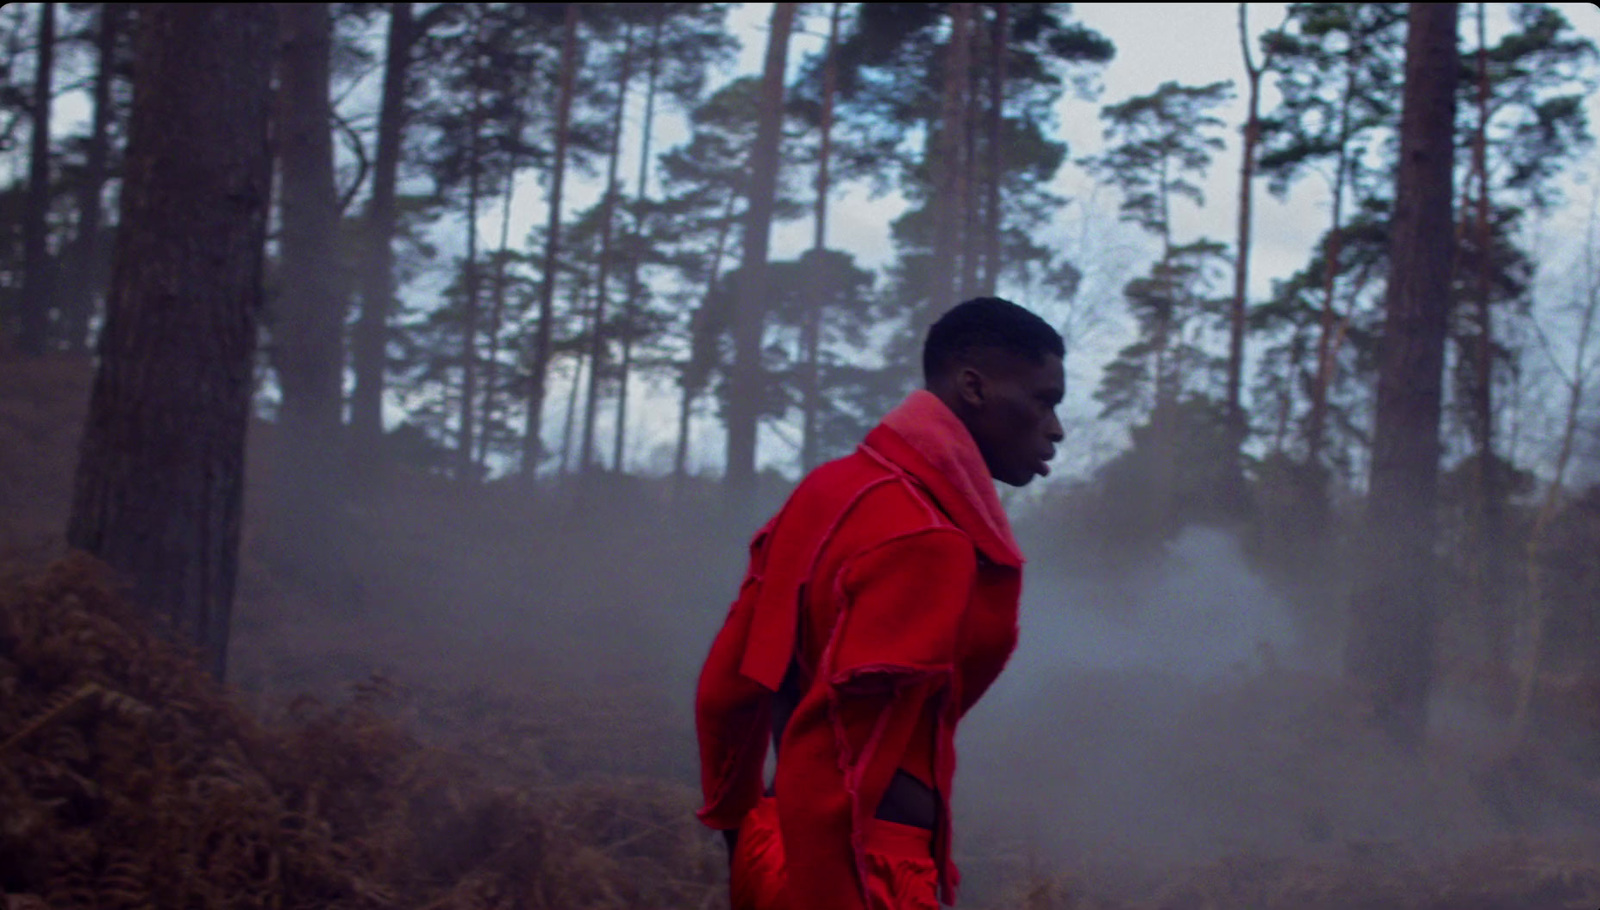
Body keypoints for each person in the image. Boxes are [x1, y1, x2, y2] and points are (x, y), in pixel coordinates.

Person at [694, 297, 1065, 910]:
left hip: (777, 845)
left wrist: (743, 834)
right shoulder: (929, 538)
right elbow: (842, 752)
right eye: (1043, 400)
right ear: (973, 386)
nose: (1056, 428)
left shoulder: (828, 492)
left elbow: (725, 691)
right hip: (863, 878)